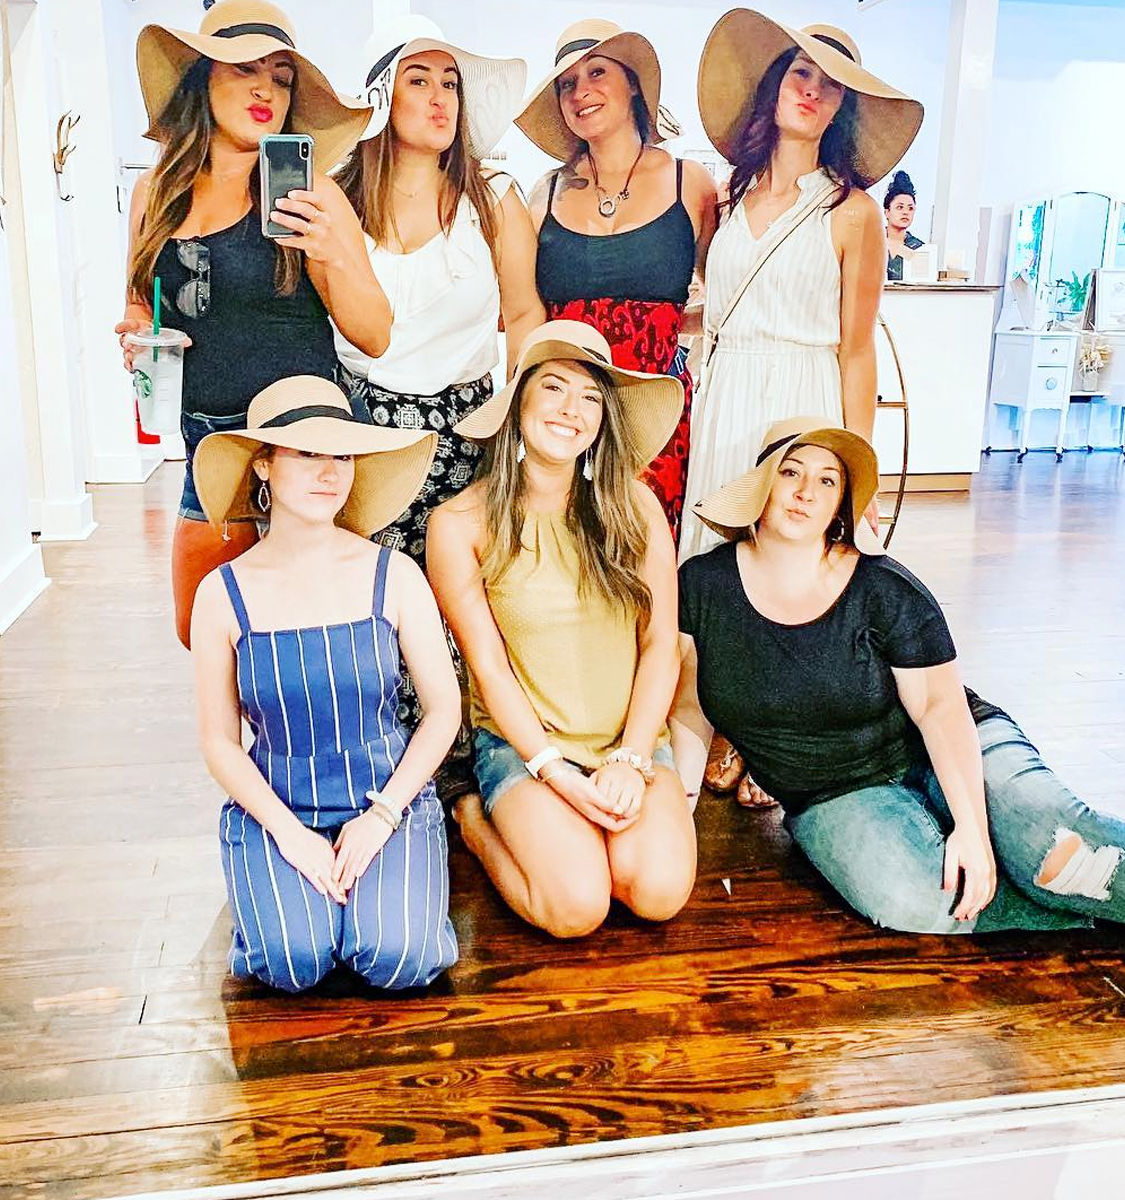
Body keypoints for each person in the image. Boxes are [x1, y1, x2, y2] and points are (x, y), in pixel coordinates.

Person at [673, 416, 1125, 935]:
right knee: (915, 897)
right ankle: (1068, 906)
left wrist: (973, 829)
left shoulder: (881, 585)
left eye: (827, 480)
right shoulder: (703, 584)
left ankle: (1046, 876)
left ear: (840, 505)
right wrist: (680, 809)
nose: (805, 492)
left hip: (947, 746)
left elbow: (939, 708)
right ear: (761, 486)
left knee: (1056, 850)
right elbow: (689, 707)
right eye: (790, 472)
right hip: (829, 792)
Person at [116, 0, 391, 650]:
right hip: (207, 443)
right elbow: (138, 299)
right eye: (243, 69)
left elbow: (375, 332)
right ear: (202, 78)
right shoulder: (155, 194)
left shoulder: (308, 193)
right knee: (205, 634)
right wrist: (135, 331)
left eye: (281, 75)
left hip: (302, 445)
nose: (266, 87)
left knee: (308, 640)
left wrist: (327, 250)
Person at [190, 375, 460, 992]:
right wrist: (289, 834)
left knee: (401, 959)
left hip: (386, 796)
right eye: (307, 452)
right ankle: (281, 889)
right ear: (263, 465)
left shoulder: (394, 574)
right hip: (278, 802)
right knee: (294, 961)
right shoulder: (222, 594)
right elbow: (220, 743)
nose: (328, 471)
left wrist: (384, 815)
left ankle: (388, 885)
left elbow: (444, 710)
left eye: (341, 454)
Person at [427, 321, 697, 938]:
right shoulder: (459, 523)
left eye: (591, 397)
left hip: (628, 740)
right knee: (577, 907)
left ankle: (600, 814)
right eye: (553, 388)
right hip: (527, 746)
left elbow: (660, 645)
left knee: (657, 893)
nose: (571, 410)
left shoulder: (637, 506)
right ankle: (473, 819)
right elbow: (487, 669)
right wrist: (552, 770)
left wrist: (632, 757)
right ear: (519, 399)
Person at [681, 10, 924, 562]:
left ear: (840, 109)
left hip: (804, 398)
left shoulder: (853, 212)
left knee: (790, 560)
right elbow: (724, 309)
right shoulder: (726, 199)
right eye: (801, 74)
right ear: (775, 88)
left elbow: (857, 350)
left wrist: (862, 470)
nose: (812, 91)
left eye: (830, 86)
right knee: (712, 564)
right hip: (724, 394)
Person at [335, 15, 543, 567]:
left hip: (467, 434)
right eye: (419, 80)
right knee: (370, 606)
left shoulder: (493, 198)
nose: (440, 99)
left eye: (450, 83)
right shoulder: (339, 201)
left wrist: (512, 429)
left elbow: (524, 314)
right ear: (382, 95)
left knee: (459, 609)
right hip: (361, 436)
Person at [520, 19, 717, 542]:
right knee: (566, 553)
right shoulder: (545, 193)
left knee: (648, 554)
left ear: (632, 83)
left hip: (656, 413)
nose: (581, 91)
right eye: (567, 84)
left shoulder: (688, 183)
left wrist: (671, 325)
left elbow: (729, 295)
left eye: (597, 72)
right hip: (565, 414)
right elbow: (523, 312)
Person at [884, 170, 925, 282]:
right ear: (887, 212)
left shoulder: (919, 247)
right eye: (900, 207)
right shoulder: (872, 241)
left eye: (910, 208)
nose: (906, 212)